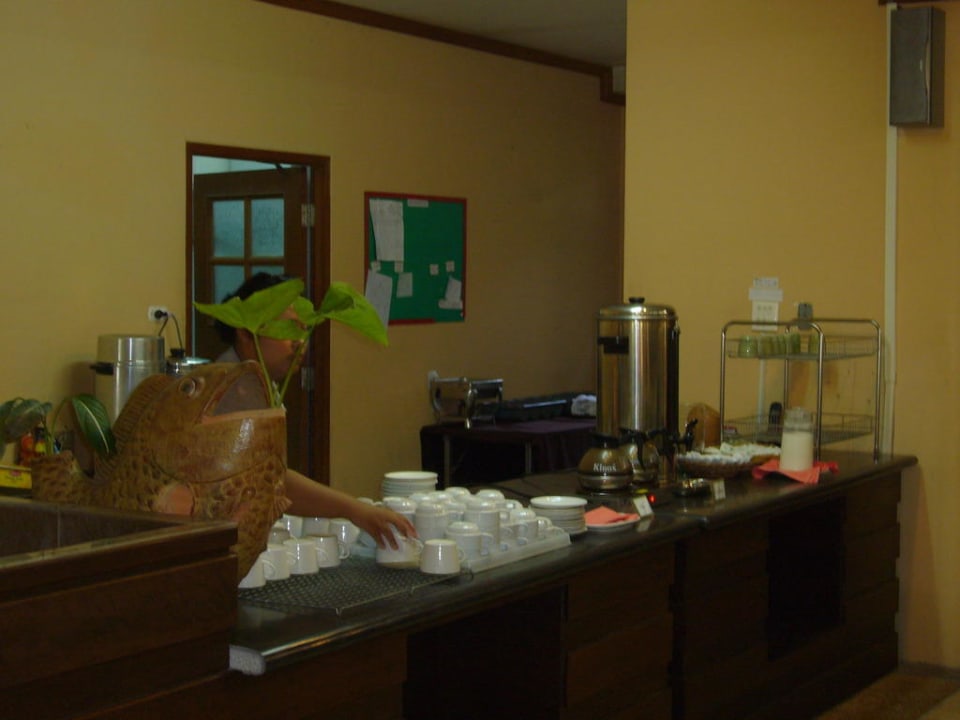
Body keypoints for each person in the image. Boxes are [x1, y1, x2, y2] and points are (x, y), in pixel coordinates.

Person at [215, 272, 416, 548]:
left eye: (303, 330)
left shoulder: (257, 380)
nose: (299, 343)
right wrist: (355, 510)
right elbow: (270, 480)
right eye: (288, 329)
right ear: (245, 332)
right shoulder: (234, 387)